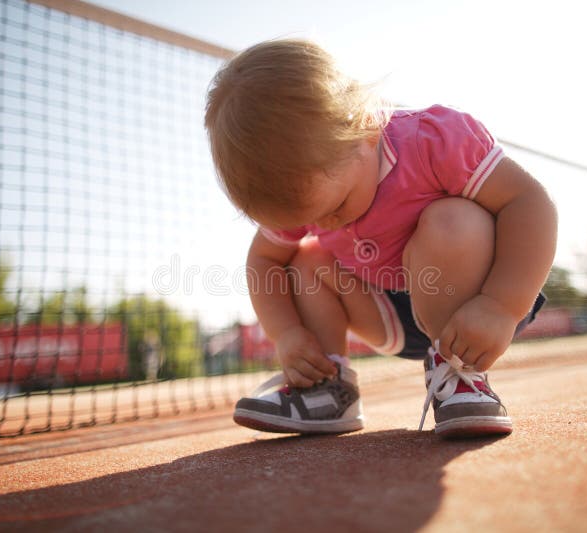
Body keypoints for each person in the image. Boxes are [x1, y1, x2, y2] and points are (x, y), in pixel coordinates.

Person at [204, 39, 557, 438]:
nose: (327, 224)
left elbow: (529, 202)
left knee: (453, 220)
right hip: (385, 312)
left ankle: (460, 374)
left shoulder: (435, 141)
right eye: (312, 218)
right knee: (304, 258)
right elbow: (264, 260)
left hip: (476, 304)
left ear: (367, 129)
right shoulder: (311, 179)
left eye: (335, 207)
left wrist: (501, 305)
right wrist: (286, 334)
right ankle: (328, 384)